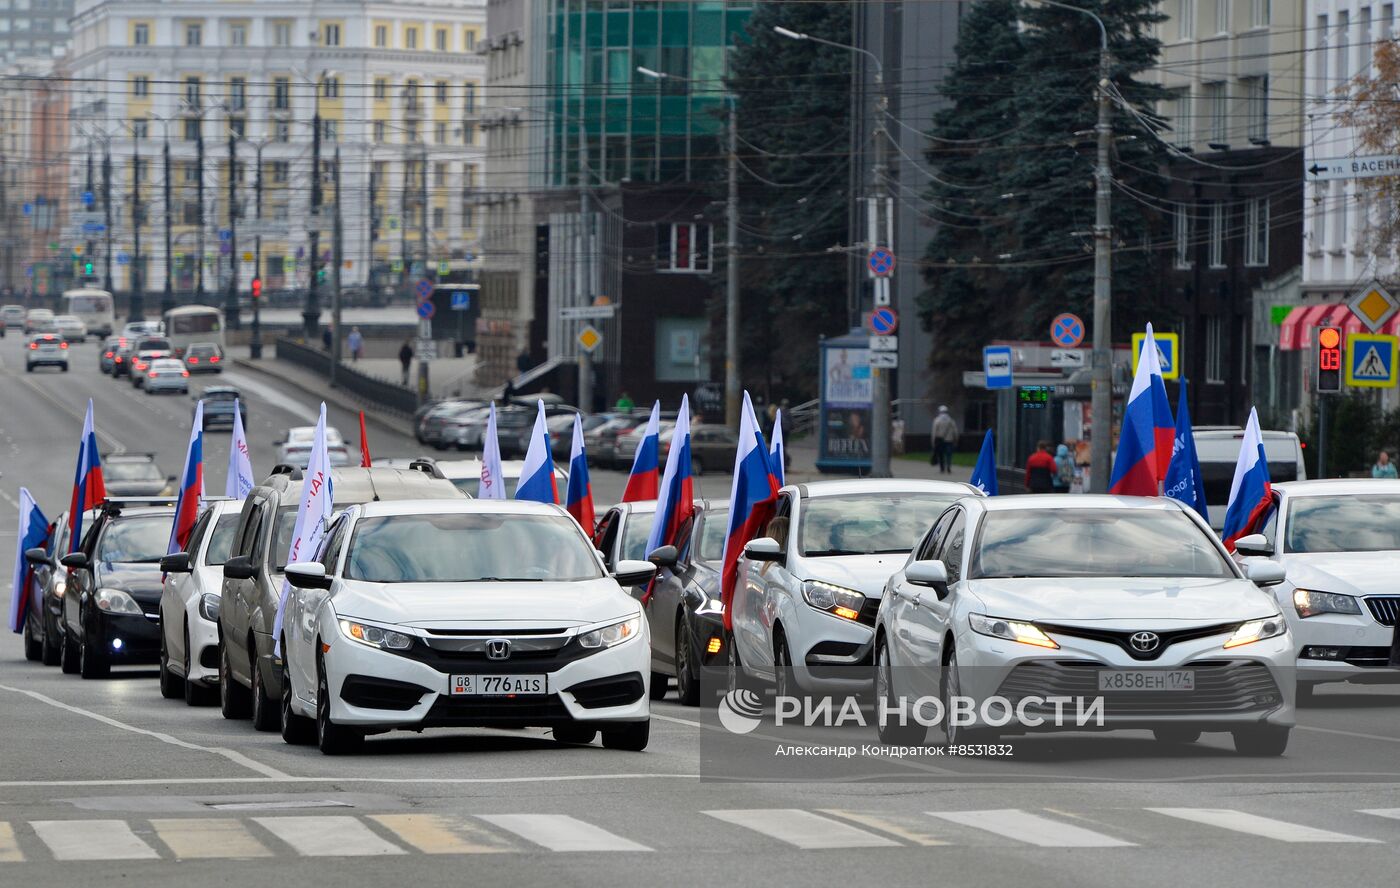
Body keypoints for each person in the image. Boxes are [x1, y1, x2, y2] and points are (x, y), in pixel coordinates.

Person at [930, 405, 958, 474]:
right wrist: (956, 438)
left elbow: (934, 432)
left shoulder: (937, 420)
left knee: (941, 454)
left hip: (940, 440)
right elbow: (955, 431)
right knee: (949, 454)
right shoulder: (951, 420)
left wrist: (933, 441)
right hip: (949, 440)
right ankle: (948, 466)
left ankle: (942, 468)